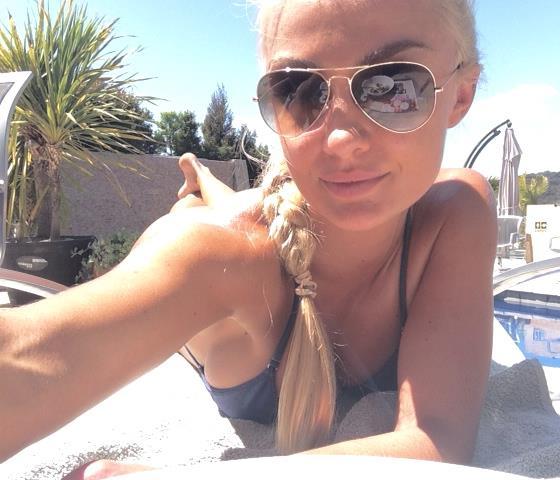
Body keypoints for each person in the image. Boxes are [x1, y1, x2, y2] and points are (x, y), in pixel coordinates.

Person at [0, 0, 496, 476]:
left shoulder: (454, 213)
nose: (341, 139)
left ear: (461, 93)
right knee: (206, 214)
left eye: (393, 86)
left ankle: (202, 178)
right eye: (299, 91)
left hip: (261, 216)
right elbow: (29, 357)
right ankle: (198, 184)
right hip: (227, 233)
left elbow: (435, 437)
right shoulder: (218, 254)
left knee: (226, 203)